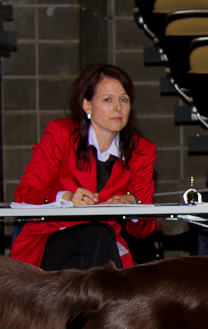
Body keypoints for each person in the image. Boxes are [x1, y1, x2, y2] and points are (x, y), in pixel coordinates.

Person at [12, 63, 156, 270]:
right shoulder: (60, 134)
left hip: (99, 247)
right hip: (50, 241)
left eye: (124, 99)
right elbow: (24, 194)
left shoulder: (142, 150)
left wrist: (133, 206)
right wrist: (65, 198)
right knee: (97, 236)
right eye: (108, 100)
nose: (118, 107)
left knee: (94, 246)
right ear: (87, 106)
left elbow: (144, 230)